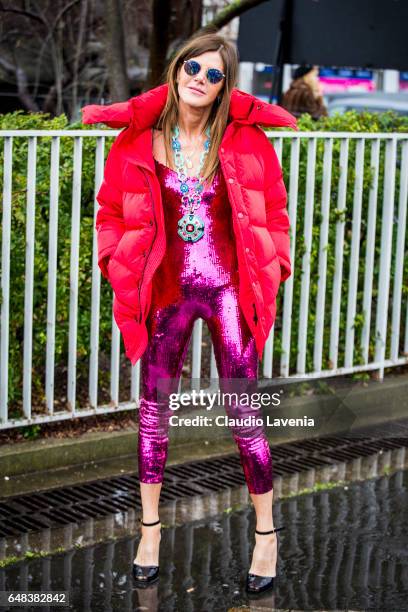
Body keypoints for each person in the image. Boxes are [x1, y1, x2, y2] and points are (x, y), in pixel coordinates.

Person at [81, 32, 297, 595]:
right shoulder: (138, 141)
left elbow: (274, 211)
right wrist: (113, 259)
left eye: (214, 73)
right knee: (153, 412)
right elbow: (108, 210)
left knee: (244, 416)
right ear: (176, 70)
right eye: (192, 67)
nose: (200, 78)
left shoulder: (245, 142)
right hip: (168, 292)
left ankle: (267, 536)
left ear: (225, 85)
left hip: (229, 291)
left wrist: (275, 265)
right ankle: (149, 531)